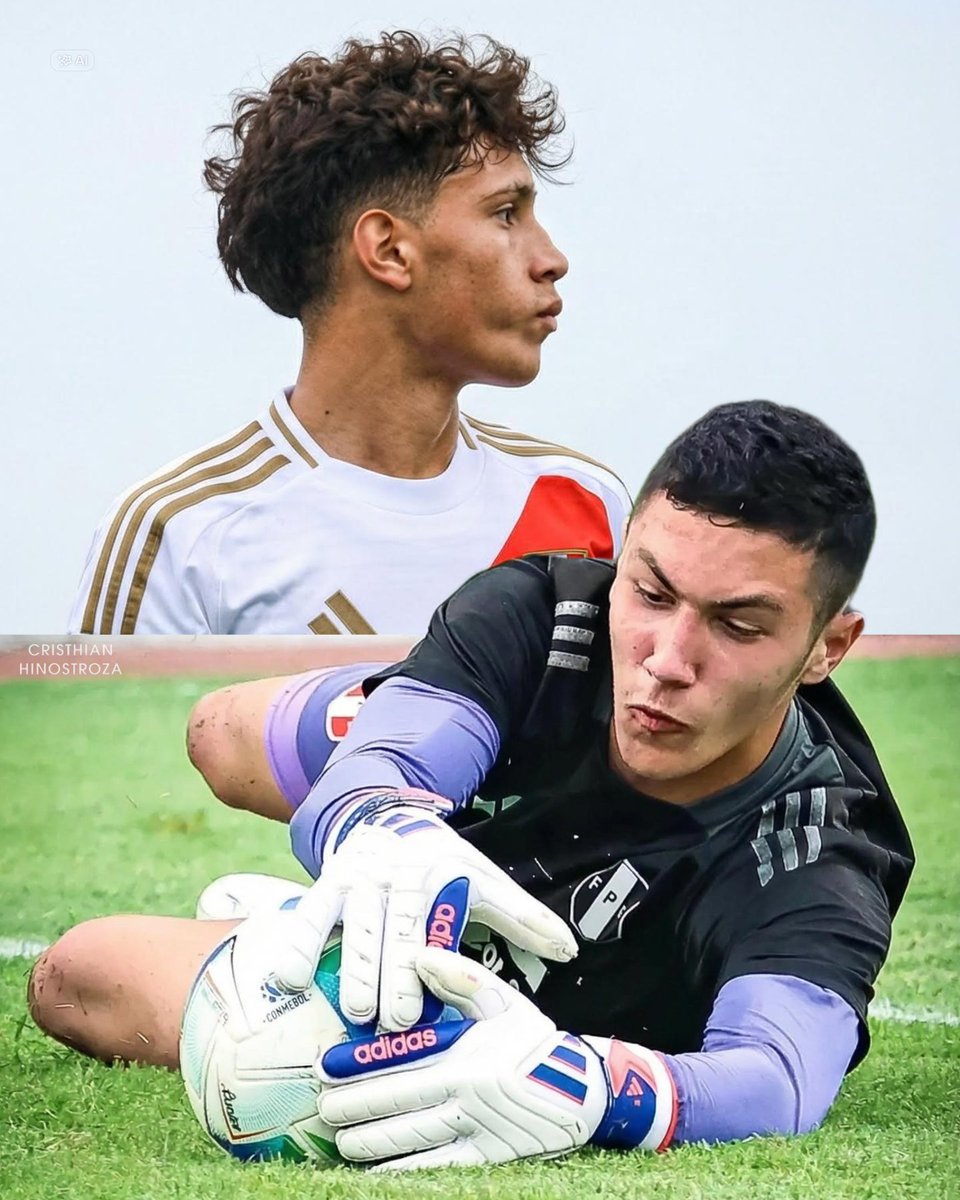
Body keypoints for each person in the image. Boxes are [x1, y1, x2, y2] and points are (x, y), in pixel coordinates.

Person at [32, 401, 913, 1169]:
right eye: (650, 592)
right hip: (460, 788)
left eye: (737, 625)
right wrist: (382, 816)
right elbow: (364, 782)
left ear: (828, 648)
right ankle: (400, 716)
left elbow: (777, 1082)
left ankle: (317, 884)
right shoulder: (546, 613)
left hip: (521, 1018)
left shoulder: (824, 850)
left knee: (78, 972)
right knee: (223, 736)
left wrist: (600, 1091)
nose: (667, 661)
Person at [68, 31, 629, 636]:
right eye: (504, 214)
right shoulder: (181, 535)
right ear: (388, 250)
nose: (552, 258)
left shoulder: (589, 502)